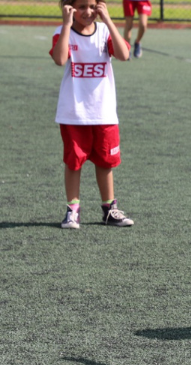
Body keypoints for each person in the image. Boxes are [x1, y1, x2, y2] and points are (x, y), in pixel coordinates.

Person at [50, 0, 134, 229]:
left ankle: (109, 209)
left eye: (92, 6)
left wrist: (108, 20)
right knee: (74, 162)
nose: (87, 12)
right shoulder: (62, 31)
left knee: (106, 162)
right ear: (69, 7)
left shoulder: (105, 31)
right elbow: (59, 59)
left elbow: (124, 55)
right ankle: (73, 210)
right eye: (81, 6)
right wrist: (67, 24)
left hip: (103, 113)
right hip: (73, 114)